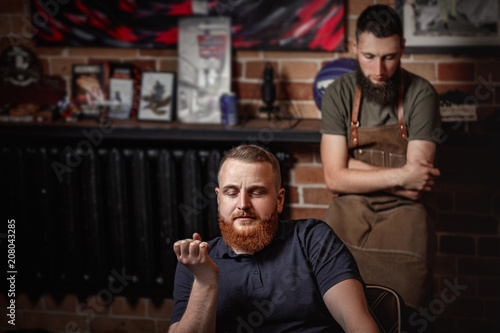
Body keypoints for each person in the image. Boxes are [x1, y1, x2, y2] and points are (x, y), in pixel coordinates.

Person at [169, 144, 379, 333]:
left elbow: (356, 322)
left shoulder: (312, 238)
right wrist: (204, 282)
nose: (243, 204)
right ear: (218, 199)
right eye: (231, 193)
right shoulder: (197, 263)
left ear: (279, 200)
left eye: (257, 192)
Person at [320, 3, 441, 320]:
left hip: (405, 213)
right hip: (348, 209)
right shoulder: (337, 93)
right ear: (355, 47)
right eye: (369, 56)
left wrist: (351, 166)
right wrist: (402, 175)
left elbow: (416, 188)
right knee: (319, 291)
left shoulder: (422, 94)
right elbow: (333, 179)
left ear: (402, 48)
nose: (378, 70)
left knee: (403, 306)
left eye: (389, 57)